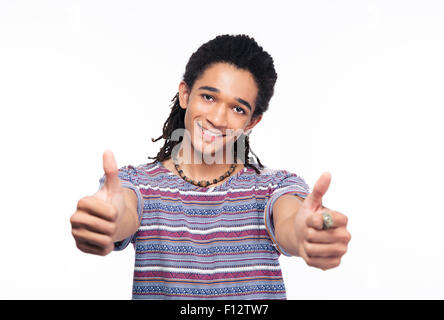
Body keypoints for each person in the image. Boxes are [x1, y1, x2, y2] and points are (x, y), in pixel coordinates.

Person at [70, 34, 351, 299]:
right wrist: (107, 220)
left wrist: (309, 231)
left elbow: (292, 221)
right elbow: (122, 212)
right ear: (185, 94)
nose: (218, 118)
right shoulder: (137, 184)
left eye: (238, 109)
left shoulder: (273, 187)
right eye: (208, 97)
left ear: (252, 122)